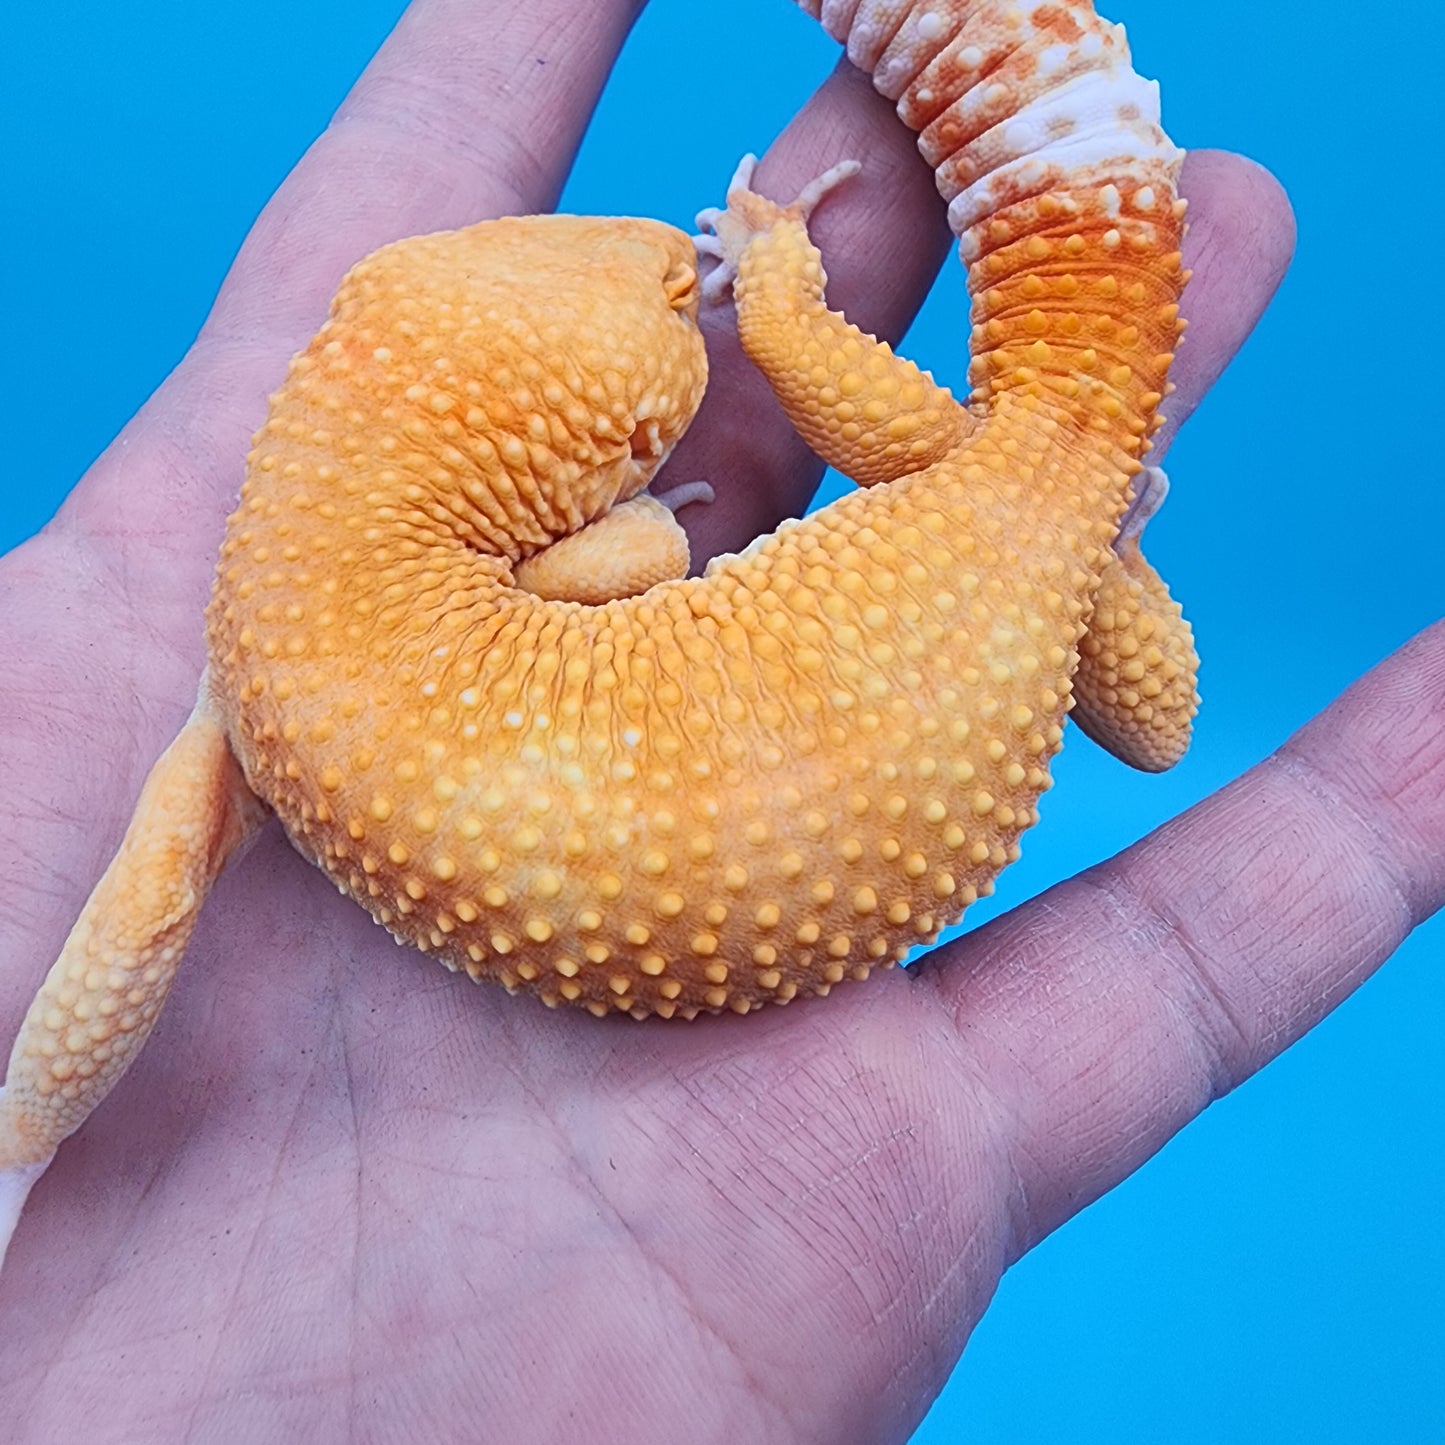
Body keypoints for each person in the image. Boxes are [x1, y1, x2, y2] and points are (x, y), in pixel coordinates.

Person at [0, 1, 1437, 1438]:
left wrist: (23, 1151)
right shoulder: (594, 559)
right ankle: (1066, 486)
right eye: (673, 315)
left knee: (1053, 504)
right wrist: (793, 301)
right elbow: (1147, 724)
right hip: (984, 576)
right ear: (593, 470)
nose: (660, 263)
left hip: (932, 631)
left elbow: (131, 927)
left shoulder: (251, 677)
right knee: (1131, 651)